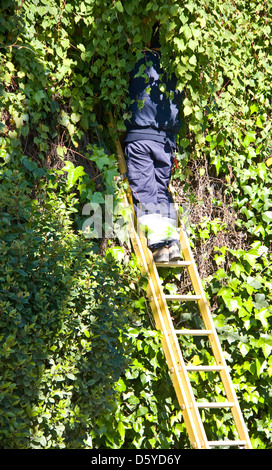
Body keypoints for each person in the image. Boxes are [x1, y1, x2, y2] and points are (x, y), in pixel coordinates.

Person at [124, 24, 183, 262]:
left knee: (145, 190)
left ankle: (159, 246)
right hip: (166, 142)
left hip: (140, 138)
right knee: (161, 191)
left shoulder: (138, 61)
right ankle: (173, 244)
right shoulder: (177, 67)